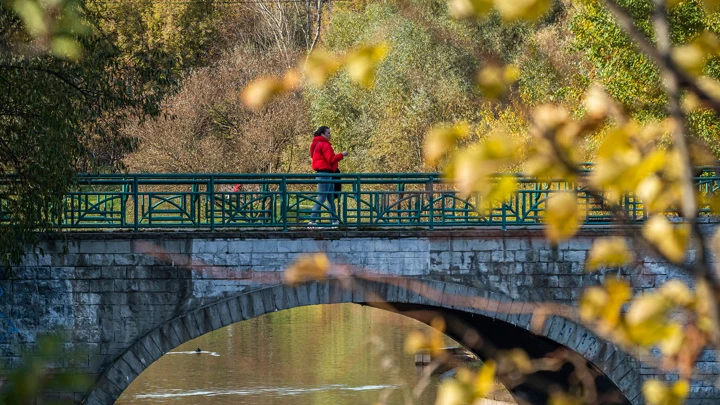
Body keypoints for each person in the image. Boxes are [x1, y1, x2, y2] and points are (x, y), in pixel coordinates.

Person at [309, 126, 348, 226]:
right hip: (325, 173)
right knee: (322, 197)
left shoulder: (316, 144)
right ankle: (312, 221)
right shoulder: (324, 144)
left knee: (330, 197)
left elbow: (314, 157)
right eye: (328, 133)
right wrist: (342, 155)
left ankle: (334, 221)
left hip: (324, 173)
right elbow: (331, 159)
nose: (330, 135)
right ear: (322, 134)